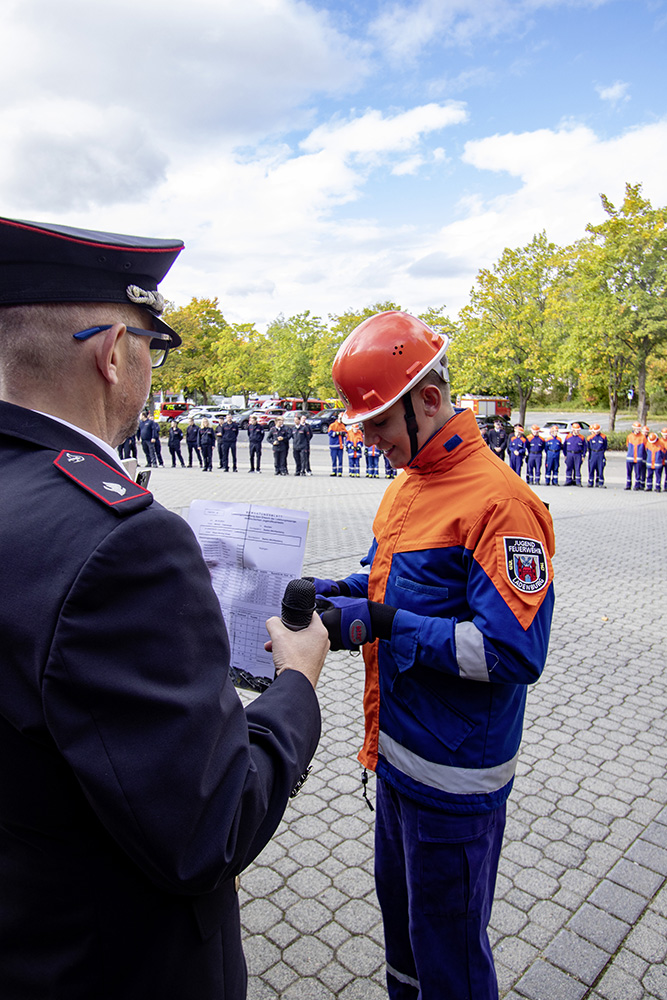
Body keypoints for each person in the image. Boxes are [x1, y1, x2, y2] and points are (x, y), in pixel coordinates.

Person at [0, 214, 328, 1000]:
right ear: (116, 355)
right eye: (153, 343)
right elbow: (210, 828)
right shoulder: (126, 542)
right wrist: (297, 685)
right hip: (110, 963)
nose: (152, 365)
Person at [308, 311, 555, 1000]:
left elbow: (512, 652)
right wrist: (339, 589)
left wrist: (383, 622)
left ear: (428, 399)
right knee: (407, 941)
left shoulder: (501, 504)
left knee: (449, 956)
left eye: (378, 423)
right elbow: (389, 584)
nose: (367, 440)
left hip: (454, 782)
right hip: (397, 760)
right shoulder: (410, 481)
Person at [625, 421, 646, 491]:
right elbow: (627, 445)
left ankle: (637, 485)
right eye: (636, 428)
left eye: (639, 429)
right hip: (630, 458)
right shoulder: (629, 436)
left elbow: (645, 447)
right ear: (633, 428)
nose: (637, 430)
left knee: (638, 473)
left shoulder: (643, 437)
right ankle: (628, 485)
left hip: (638, 458)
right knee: (629, 472)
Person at [586, 423, 608, 488]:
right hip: (593, 453)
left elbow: (605, 446)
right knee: (591, 468)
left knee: (600, 468)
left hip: (600, 453)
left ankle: (600, 482)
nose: (596, 432)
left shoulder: (603, 437)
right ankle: (590, 482)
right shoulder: (590, 438)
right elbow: (589, 447)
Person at [292, 412, 313, 476]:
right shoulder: (293, 428)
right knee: (297, 459)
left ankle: (303, 471)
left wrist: (305, 443)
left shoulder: (305, 427)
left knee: (304, 459)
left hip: (303, 446)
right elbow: (292, 436)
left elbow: (309, 436)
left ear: (299, 420)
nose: (295, 421)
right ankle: (298, 470)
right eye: (294, 420)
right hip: (296, 446)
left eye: (296, 420)